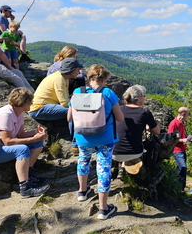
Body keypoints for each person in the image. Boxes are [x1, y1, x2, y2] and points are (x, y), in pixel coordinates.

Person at [67, 64, 124, 220]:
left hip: (82, 137)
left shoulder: (77, 92)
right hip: (105, 137)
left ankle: (82, 191)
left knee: (83, 160)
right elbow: (120, 118)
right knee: (104, 168)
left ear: (89, 78)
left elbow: (69, 118)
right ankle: (103, 209)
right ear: (104, 79)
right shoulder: (108, 93)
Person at [0, 88, 50, 198]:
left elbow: (21, 134)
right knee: (22, 149)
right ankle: (25, 188)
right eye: (29, 102)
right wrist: (32, 139)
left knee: (38, 141)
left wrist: (36, 133)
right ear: (23, 102)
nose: (31, 104)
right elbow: (7, 142)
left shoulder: (18, 113)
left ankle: (29, 175)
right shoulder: (5, 115)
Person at [114, 85, 160, 162]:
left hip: (114, 152)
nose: (144, 98)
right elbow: (157, 132)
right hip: (134, 153)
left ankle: (121, 167)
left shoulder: (118, 109)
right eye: (144, 96)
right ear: (139, 98)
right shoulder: (145, 112)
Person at [169, 107, 190, 191]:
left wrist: (187, 138)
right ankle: (175, 186)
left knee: (183, 169)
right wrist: (182, 140)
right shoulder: (174, 123)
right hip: (177, 149)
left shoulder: (182, 123)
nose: (188, 116)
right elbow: (169, 137)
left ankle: (181, 189)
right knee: (182, 167)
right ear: (182, 114)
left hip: (183, 148)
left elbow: (181, 135)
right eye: (188, 114)